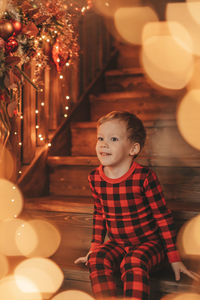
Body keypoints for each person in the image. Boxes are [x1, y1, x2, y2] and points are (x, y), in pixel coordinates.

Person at [75, 111, 199, 299]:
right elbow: (99, 214)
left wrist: (174, 258)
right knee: (97, 259)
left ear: (132, 149)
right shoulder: (95, 177)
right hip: (118, 243)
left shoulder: (144, 177)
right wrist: (94, 248)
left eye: (113, 139)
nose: (103, 144)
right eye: (100, 138)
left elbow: (163, 218)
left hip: (150, 244)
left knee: (133, 261)